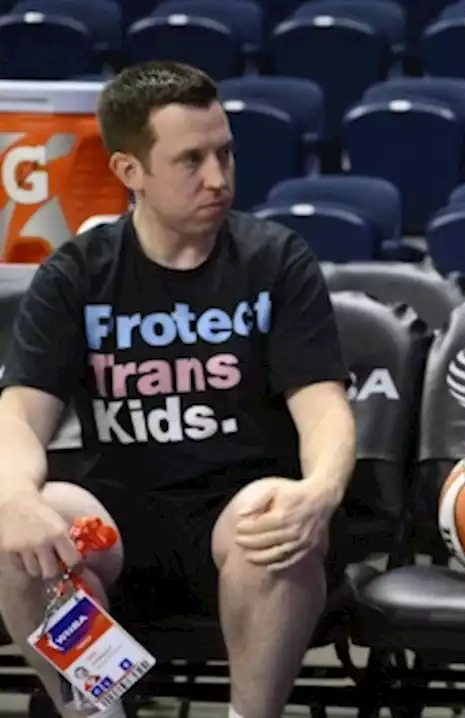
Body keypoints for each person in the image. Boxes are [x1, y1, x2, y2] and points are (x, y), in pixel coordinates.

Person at [0, 61, 356, 718]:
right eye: (190, 160)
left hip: (235, 520)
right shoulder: (79, 272)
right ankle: (95, 709)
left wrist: (321, 492)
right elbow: (19, 414)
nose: (218, 178)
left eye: (225, 153)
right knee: (29, 524)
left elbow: (325, 409)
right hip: (120, 521)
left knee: (271, 517)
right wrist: (12, 497)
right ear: (129, 173)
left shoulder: (275, 260)